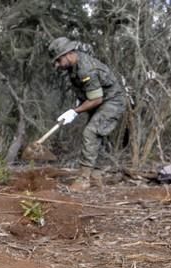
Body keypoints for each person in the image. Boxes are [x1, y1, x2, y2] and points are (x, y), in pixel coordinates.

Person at [48, 37, 126, 191]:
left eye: (58, 60)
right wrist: (78, 106)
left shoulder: (86, 69)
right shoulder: (73, 68)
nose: (57, 65)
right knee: (95, 138)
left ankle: (84, 179)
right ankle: (96, 177)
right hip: (100, 100)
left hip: (112, 101)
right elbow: (88, 92)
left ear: (68, 54)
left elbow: (96, 99)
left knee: (90, 133)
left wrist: (75, 112)